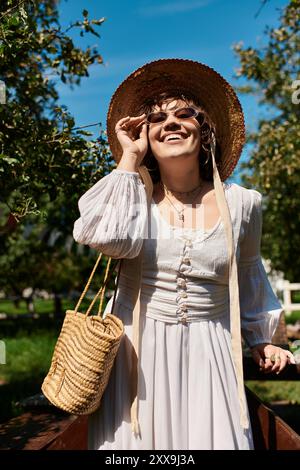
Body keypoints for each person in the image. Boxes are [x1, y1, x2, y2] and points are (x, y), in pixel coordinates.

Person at [73, 59, 296, 450]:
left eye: (184, 114)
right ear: (145, 136)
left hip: (210, 355)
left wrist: (263, 339)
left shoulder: (243, 204)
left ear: (205, 129)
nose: (171, 123)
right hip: (135, 360)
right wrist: (129, 158)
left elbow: (249, 275)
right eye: (156, 119)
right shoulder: (131, 195)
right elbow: (105, 238)